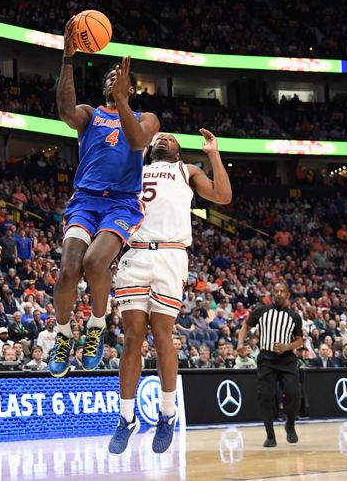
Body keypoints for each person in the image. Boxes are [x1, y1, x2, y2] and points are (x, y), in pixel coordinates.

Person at [49, 20, 160, 379]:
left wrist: (125, 102)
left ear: (130, 87)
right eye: (111, 76)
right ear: (104, 86)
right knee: (68, 271)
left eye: (121, 76)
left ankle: (96, 325)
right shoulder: (90, 115)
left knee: (96, 263)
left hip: (122, 204)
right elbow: (65, 110)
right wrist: (68, 58)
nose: (116, 78)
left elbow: (138, 142)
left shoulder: (147, 118)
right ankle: (64, 335)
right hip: (85, 201)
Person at [109, 130, 231, 454]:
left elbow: (223, 195)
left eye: (170, 139)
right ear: (149, 149)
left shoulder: (187, 171)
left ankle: (167, 413)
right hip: (135, 253)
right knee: (132, 337)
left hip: (171, 255)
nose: (163, 139)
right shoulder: (134, 167)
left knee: (162, 335)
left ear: (178, 152)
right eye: (158, 138)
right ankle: (126, 418)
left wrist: (213, 154)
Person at [238, 282, 304, 447]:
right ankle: (270, 435)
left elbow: (300, 341)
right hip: (267, 359)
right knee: (265, 396)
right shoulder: (261, 311)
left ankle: (290, 424)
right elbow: (246, 327)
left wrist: (286, 347)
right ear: (272, 294)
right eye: (276, 291)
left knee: (294, 393)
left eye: (282, 291)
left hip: (287, 359)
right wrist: (240, 343)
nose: (279, 294)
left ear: (288, 295)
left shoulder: (294, 316)